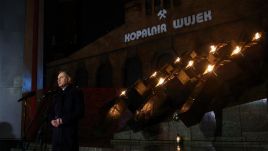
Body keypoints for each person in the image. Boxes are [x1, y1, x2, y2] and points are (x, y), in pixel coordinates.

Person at [49, 71, 85, 151]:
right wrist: (52, 120)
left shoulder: (76, 92)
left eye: (61, 77)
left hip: (69, 134)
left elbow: (80, 112)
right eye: (57, 78)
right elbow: (51, 111)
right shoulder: (56, 94)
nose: (58, 80)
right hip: (57, 134)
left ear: (68, 79)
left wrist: (63, 120)